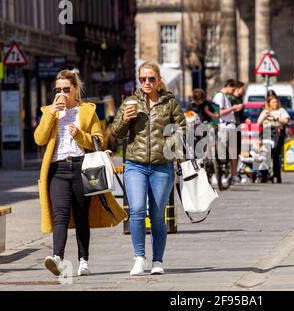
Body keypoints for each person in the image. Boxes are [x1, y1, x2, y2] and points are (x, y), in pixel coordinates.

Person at [34, 69, 126, 277]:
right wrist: (51, 115)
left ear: (75, 89)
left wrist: (79, 135)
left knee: (81, 215)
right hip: (57, 169)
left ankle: (83, 261)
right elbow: (39, 139)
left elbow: (98, 140)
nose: (62, 93)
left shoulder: (86, 111)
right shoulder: (49, 110)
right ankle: (57, 257)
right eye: (58, 90)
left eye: (67, 89)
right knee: (61, 215)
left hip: (81, 168)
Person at [112, 61, 186, 276]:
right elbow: (116, 133)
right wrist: (125, 120)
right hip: (135, 164)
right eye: (142, 79)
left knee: (157, 216)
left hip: (162, 167)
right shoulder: (130, 102)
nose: (146, 82)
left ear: (158, 79)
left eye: (151, 79)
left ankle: (157, 261)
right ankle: (139, 257)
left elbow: (182, 128)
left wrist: (168, 144)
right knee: (136, 210)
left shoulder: (170, 103)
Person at [213, 79, 244, 183]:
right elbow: (220, 112)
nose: (233, 91)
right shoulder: (220, 96)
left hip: (229, 127)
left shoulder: (224, 96)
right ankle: (220, 174)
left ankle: (232, 174)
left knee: (233, 152)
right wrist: (233, 108)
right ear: (229, 86)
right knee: (223, 153)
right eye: (233, 89)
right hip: (225, 127)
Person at [257, 95, 290, 183]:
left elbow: (286, 121)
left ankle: (276, 176)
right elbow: (259, 122)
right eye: (273, 102)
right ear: (269, 103)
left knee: (275, 155)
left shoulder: (281, 111)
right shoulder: (265, 111)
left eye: (276, 102)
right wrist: (265, 116)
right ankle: (263, 175)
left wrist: (276, 118)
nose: (275, 104)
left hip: (277, 133)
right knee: (265, 153)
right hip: (266, 132)